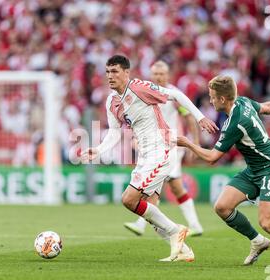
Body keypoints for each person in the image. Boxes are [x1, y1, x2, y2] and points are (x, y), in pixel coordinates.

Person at [81, 55, 218, 262]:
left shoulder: (139, 87)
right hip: (145, 156)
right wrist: (99, 150)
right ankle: (184, 251)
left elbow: (176, 95)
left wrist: (200, 118)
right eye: (108, 72)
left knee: (129, 199)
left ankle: (177, 230)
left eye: (115, 71)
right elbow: (115, 132)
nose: (110, 76)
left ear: (127, 73)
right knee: (151, 209)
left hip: (161, 151)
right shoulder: (112, 101)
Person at [177, 75, 270, 268]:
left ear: (223, 99)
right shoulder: (242, 101)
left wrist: (187, 144)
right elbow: (266, 107)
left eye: (212, 97)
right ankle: (257, 241)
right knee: (222, 207)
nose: (210, 100)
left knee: (268, 223)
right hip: (254, 169)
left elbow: (211, 158)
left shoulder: (235, 122)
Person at [123, 60, 204, 237]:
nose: (158, 77)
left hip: (171, 146)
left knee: (153, 186)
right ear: (150, 75)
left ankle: (141, 224)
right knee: (174, 187)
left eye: (161, 74)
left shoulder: (172, 95)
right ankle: (195, 225)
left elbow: (188, 117)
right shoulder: (144, 93)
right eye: (155, 74)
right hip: (153, 146)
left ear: (168, 75)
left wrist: (195, 142)